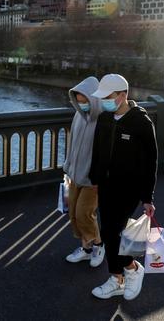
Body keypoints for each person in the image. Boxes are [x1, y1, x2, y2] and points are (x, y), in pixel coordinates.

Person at [88, 74, 157, 301]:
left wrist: (148, 197)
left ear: (123, 95)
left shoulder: (141, 123)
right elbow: (97, 152)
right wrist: (95, 180)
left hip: (129, 189)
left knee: (115, 231)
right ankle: (117, 278)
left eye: (109, 97)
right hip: (106, 185)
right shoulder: (105, 119)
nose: (105, 101)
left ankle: (133, 268)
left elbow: (151, 162)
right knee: (108, 232)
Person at [61, 76, 105, 267]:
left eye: (84, 101)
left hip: (93, 179)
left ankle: (99, 245)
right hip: (75, 175)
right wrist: (67, 167)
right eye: (78, 101)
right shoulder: (77, 116)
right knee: (73, 214)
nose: (81, 105)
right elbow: (73, 145)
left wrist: (100, 177)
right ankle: (86, 248)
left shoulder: (104, 121)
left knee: (84, 214)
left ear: (93, 99)